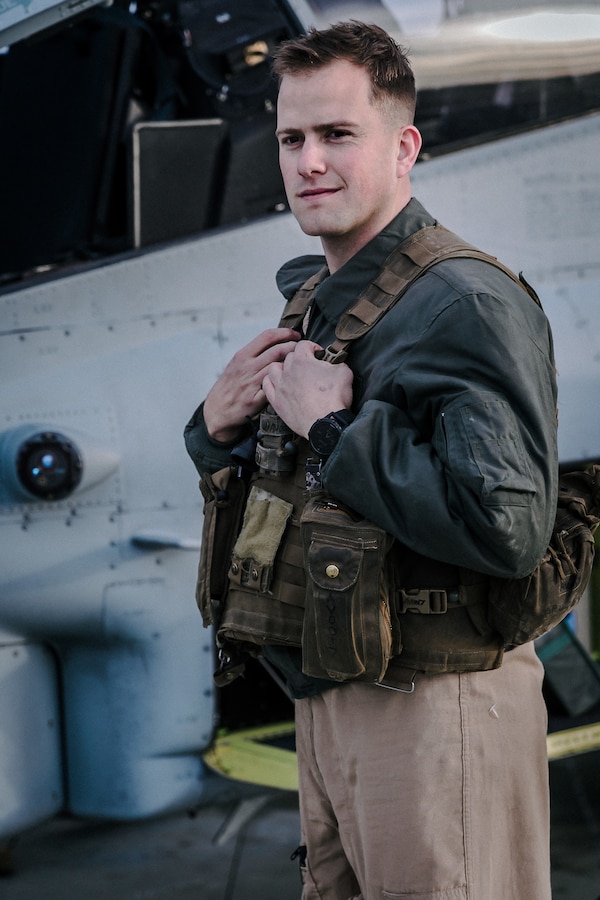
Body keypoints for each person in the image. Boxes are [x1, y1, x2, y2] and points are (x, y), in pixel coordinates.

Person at [185, 21, 558, 900]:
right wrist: (215, 427)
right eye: (292, 138)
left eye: (337, 135)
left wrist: (335, 433)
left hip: (437, 711)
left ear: (404, 146)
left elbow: (507, 529)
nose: (310, 161)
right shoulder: (321, 300)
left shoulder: (463, 302)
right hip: (332, 696)